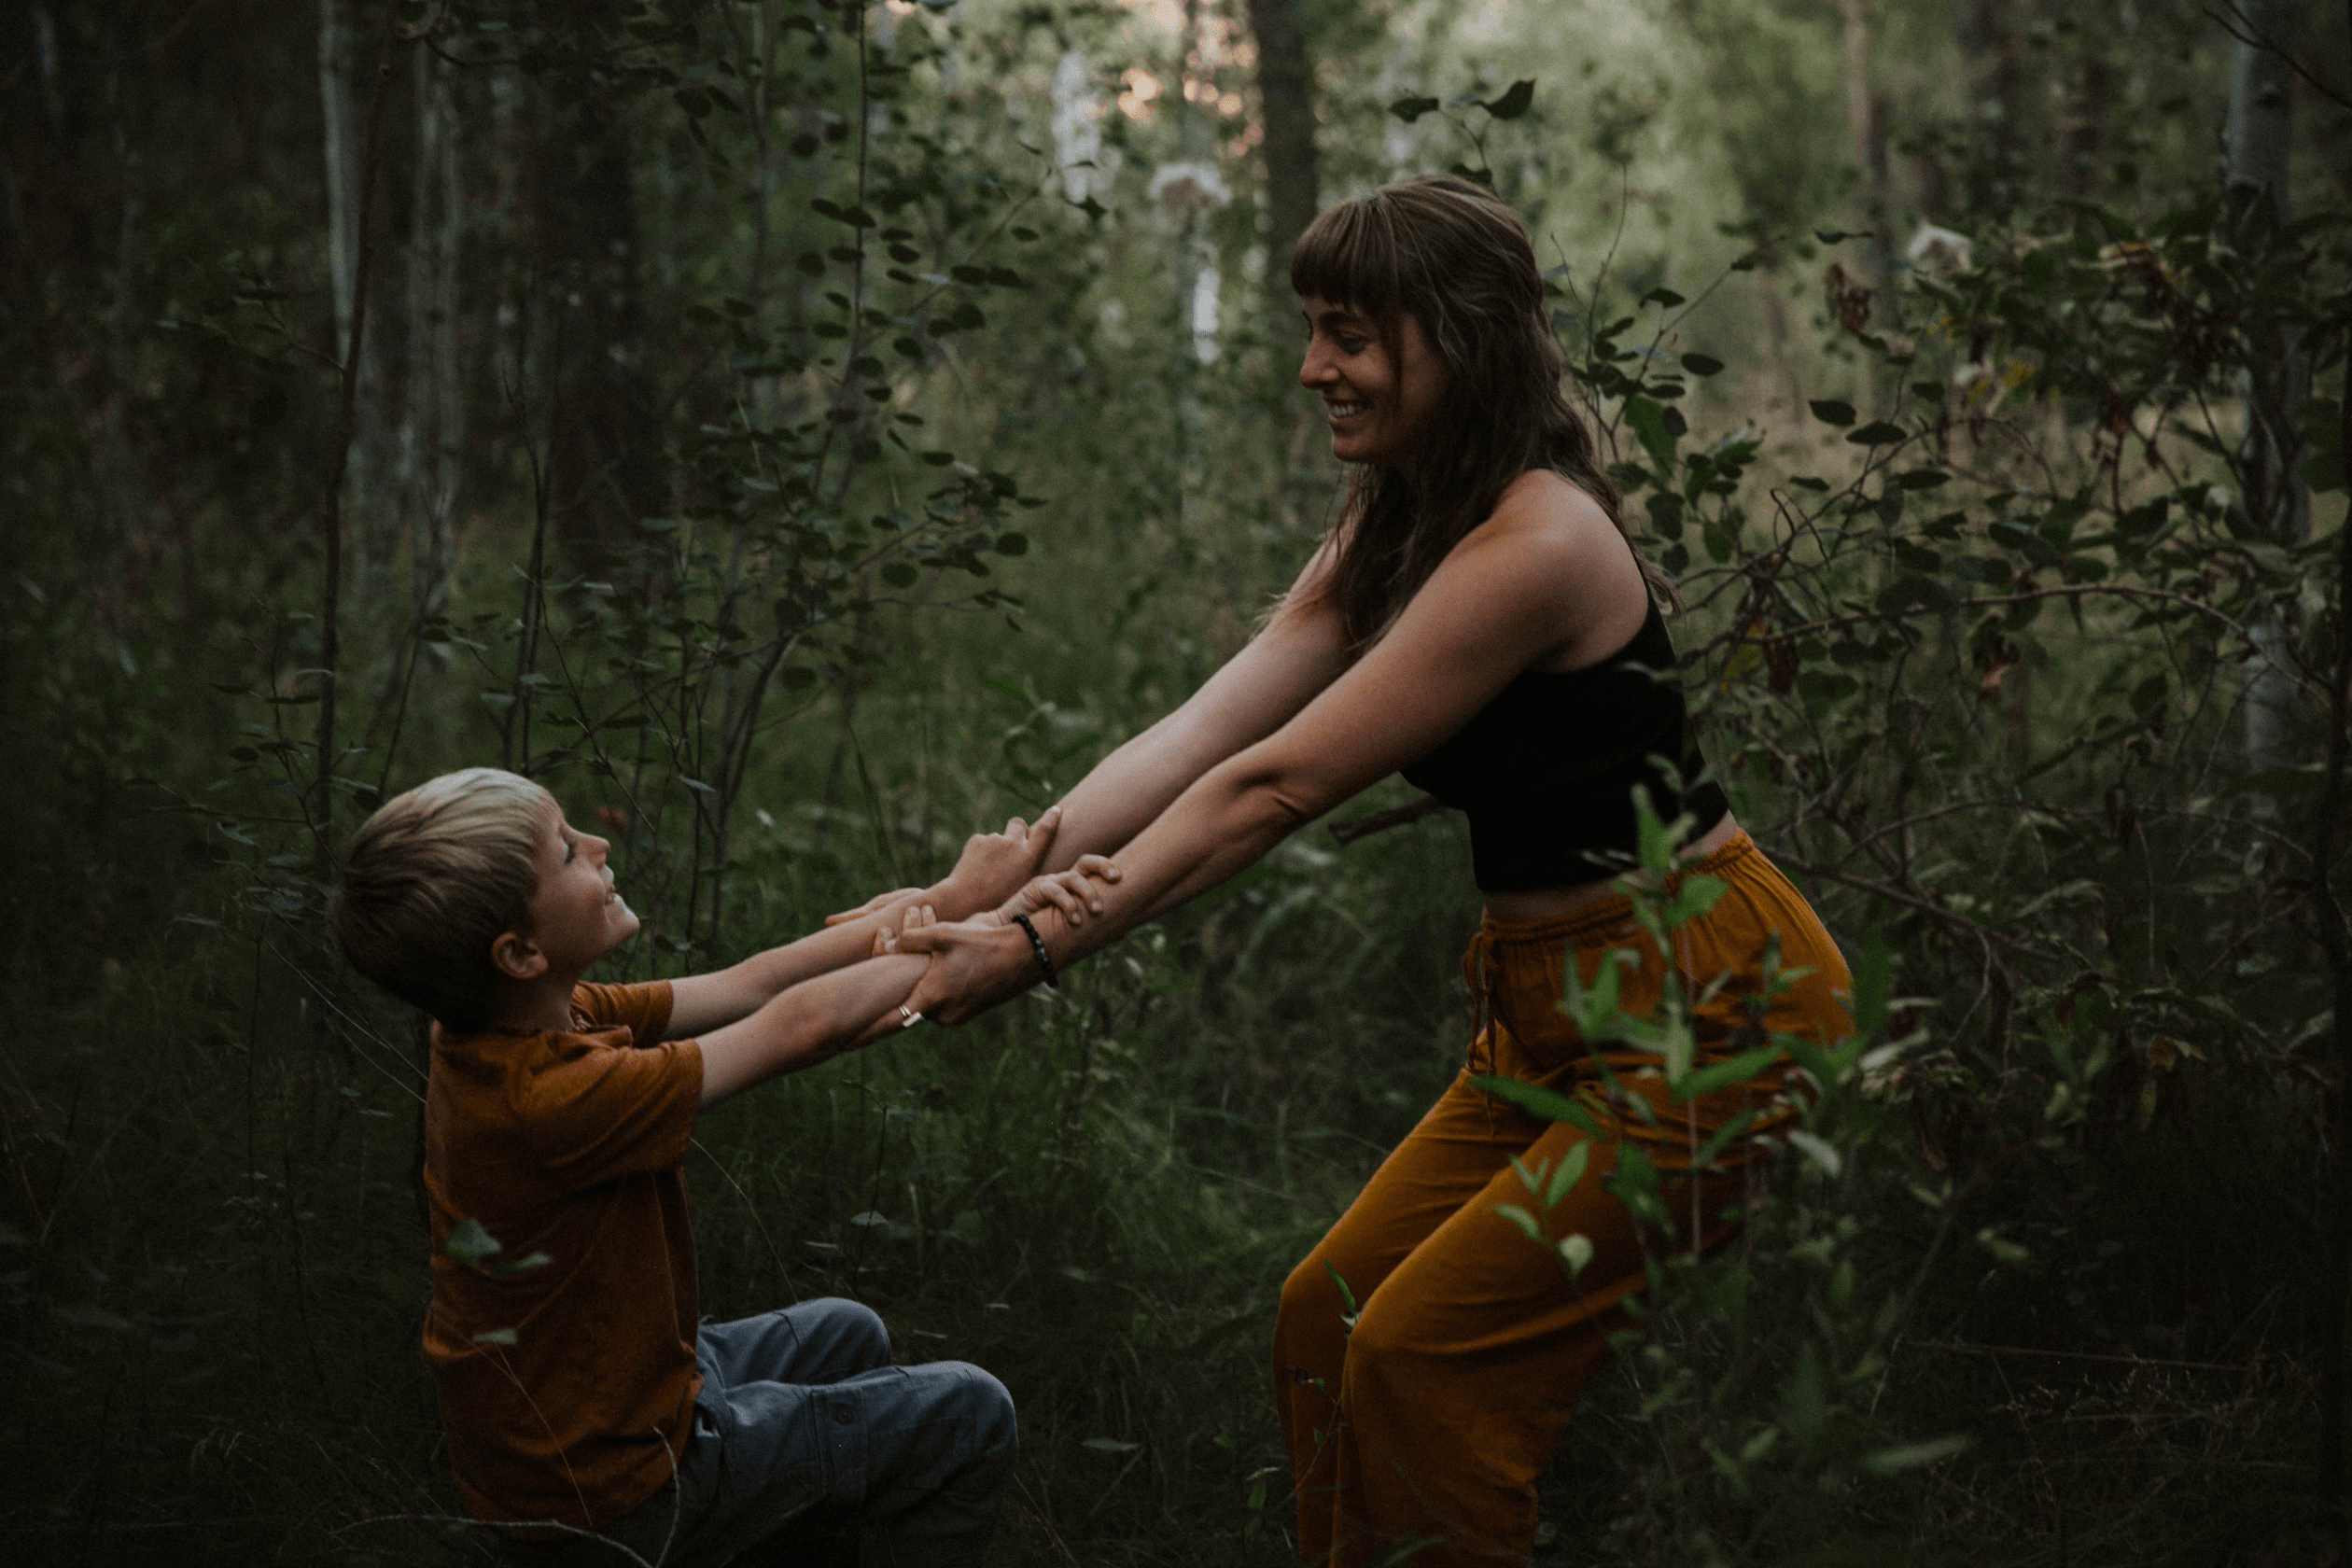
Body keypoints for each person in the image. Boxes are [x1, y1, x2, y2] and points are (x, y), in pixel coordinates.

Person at [894, 175, 1855, 1566]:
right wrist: (997, 876)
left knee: (1419, 1356)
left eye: (1349, 332)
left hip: (1713, 1016)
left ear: (1455, 336)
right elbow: (1204, 730)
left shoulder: (1537, 541)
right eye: (1312, 328)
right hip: (1548, 1015)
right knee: (1327, 1312)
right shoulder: (1402, 522)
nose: (1313, 367)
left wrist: (1040, 946)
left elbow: (1272, 786)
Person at [330, 766, 1107, 1567]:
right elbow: (798, 1027)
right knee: (970, 1415)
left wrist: (951, 902)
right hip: (614, 1497)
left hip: (571, 1432)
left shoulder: (516, 1025)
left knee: (848, 1331)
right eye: (566, 852)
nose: (600, 844)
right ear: (521, 951)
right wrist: (1003, 929)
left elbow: (755, 983)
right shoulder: (549, 1100)